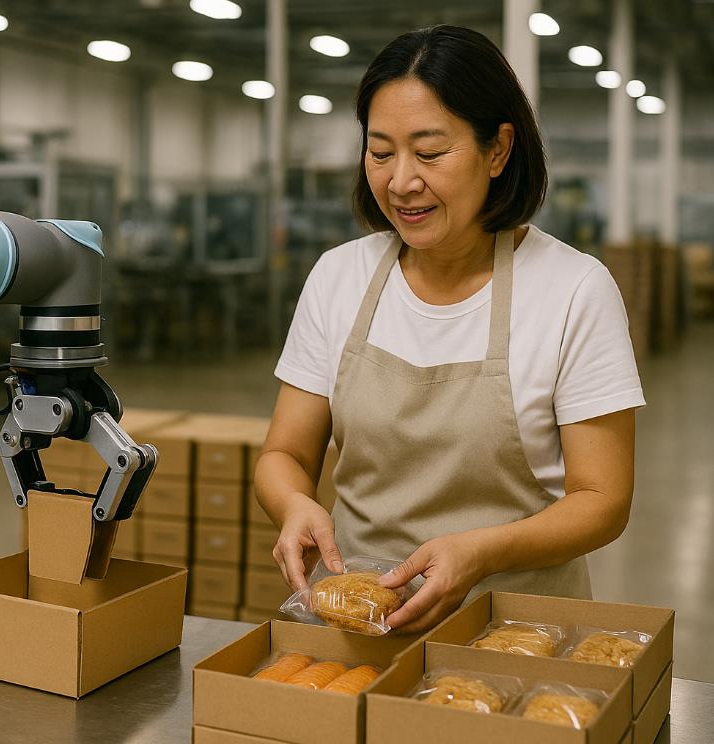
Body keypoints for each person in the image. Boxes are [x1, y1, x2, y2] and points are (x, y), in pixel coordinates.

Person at [255, 25, 644, 634]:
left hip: (517, 636)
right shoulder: (339, 277)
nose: (401, 181)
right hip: (362, 622)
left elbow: (603, 501)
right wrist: (293, 503)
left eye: (430, 153)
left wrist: (480, 552)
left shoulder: (573, 289)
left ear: (498, 149)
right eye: (381, 153)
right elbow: (284, 453)